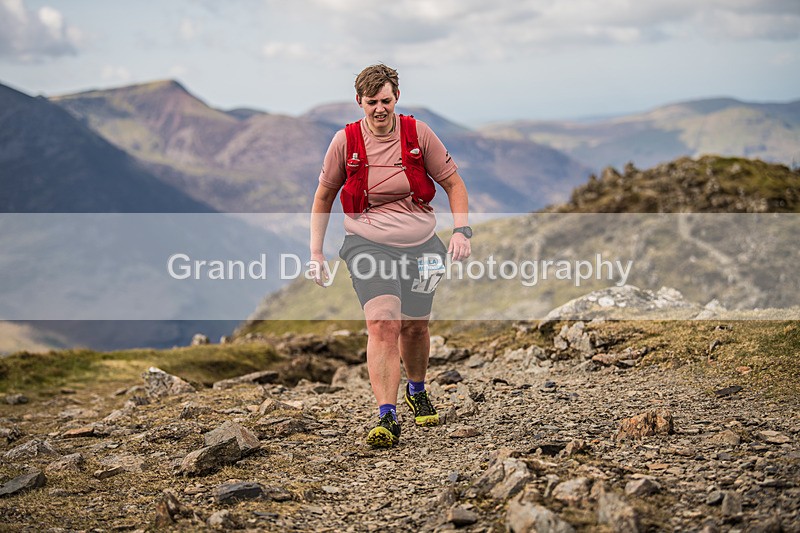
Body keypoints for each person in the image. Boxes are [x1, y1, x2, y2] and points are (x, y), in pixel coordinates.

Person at [310, 64, 471, 448]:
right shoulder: (344, 142)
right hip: (368, 245)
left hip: (424, 246)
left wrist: (462, 230)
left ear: (396, 97)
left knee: (415, 326)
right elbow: (323, 196)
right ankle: (387, 415)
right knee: (384, 323)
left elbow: (453, 183)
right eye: (371, 103)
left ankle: (417, 389)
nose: (379, 109)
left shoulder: (418, 134)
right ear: (359, 102)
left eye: (386, 100)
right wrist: (316, 251)